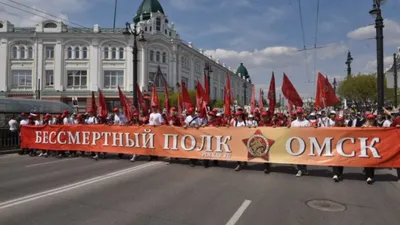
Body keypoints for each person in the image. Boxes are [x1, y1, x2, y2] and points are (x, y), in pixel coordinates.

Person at [290, 108, 311, 177]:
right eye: (298, 114)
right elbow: (290, 132)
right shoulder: (293, 123)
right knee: (298, 156)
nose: (299, 115)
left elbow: (311, 131)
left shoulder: (307, 122)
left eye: (300, 113)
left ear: (302, 114)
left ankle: (304, 169)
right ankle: (299, 170)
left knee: (304, 156)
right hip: (296, 142)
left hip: (305, 141)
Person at [362, 113, 376, 184]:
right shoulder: (363, 126)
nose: (371, 120)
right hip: (365, 147)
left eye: (372, 119)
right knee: (367, 162)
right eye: (369, 119)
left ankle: (371, 175)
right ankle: (368, 176)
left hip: (374, 148)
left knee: (372, 162)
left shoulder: (376, 127)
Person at [332, 116, 345, 182]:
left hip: (343, 146)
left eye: (341, 120)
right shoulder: (333, 128)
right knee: (335, 160)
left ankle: (340, 173)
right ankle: (335, 174)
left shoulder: (346, 127)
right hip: (335, 146)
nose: (340, 122)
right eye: (339, 121)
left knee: (341, 160)